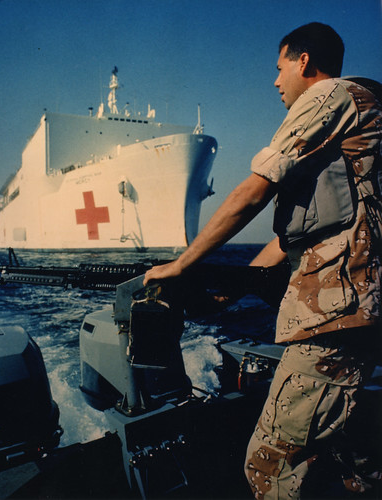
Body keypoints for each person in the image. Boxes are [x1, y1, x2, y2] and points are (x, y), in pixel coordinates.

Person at [144, 22, 382, 498]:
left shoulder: (328, 95)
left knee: (269, 463)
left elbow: (254, 190)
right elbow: (309, 230)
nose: (275, 82)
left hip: (333, 318)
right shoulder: (359, 125)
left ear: (303, 62)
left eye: (279, 69)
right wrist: (240, 282)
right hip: (354, 311)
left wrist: (182, 264)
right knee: (354, 461)